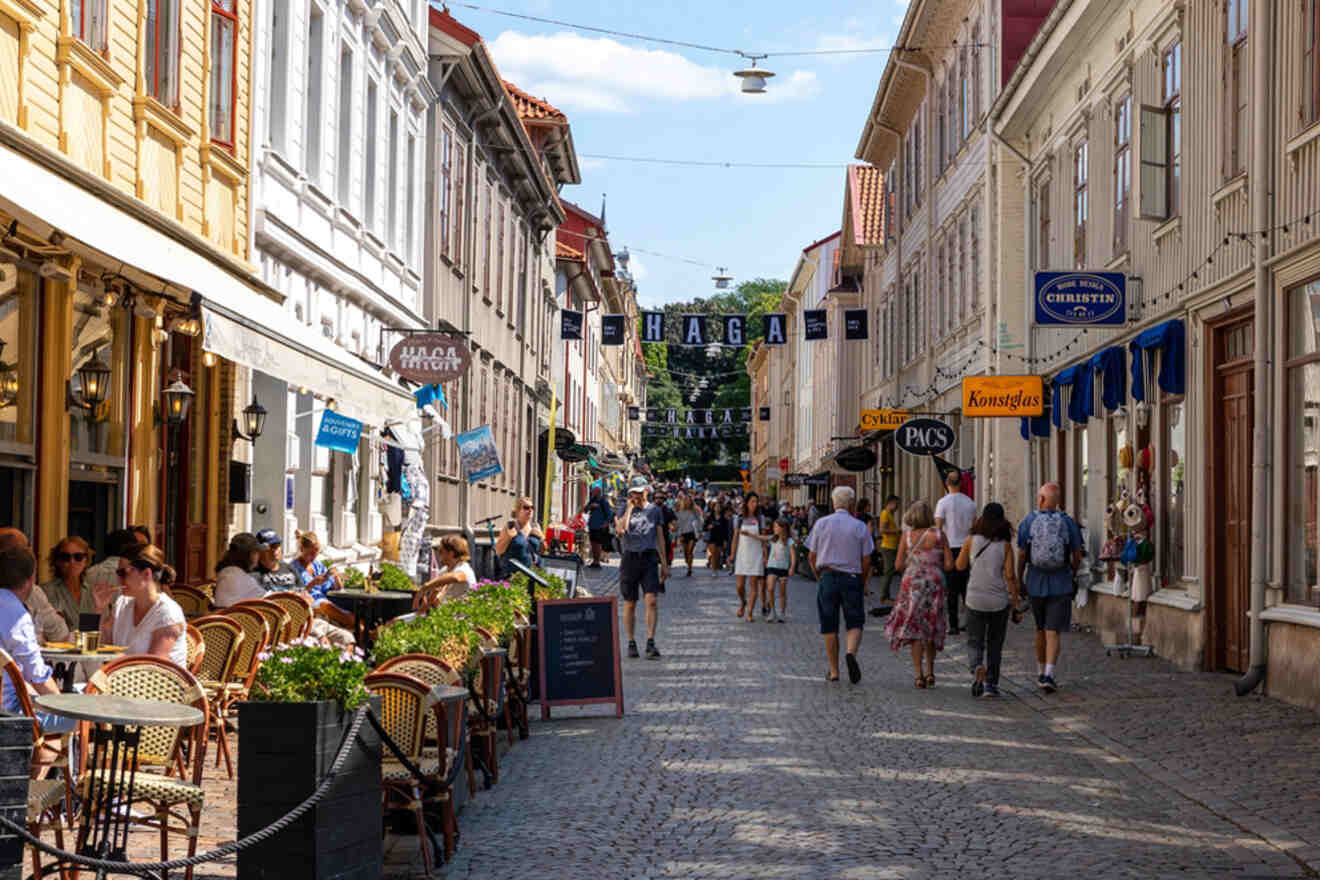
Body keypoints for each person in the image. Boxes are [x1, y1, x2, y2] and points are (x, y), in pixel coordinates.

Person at [0, 543, 79, 758]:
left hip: (11, 707)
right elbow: (38, 678)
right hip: (9, 714)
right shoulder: (17, 616)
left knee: (51, 731)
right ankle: (63, 785)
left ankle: (34, 783)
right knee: (84, 711)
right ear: (31, 580)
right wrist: (64, 704)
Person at [1017, 482, 1083, 693]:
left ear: (1041, 499)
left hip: (1036, 581)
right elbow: (1077, 554)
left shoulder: (1029, 521)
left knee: (1039, 629)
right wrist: (1071, 572)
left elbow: (1022, 554)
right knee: (1052, 631)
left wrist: (1020, 578)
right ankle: (1049, 673)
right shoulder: (1068, 522)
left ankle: (1039, 671)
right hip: (1061, 582)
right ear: (1058, 501)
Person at [806, 486, 874, 684]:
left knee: (829, 624)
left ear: (834, 502)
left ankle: (834, 671)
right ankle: (850, 653)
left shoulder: (821, 524)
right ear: (851, 503)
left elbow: (811, 555)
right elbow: (867, 559)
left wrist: (818, 575)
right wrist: (861, 581)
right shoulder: (859, 526)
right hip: (851, 577)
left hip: (827, 576)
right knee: (855, 621)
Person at [955, 503, 1020, 698]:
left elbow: (959, 566)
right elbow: (1010, 576)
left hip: (974, 598)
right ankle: (991, 685)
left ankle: (976, 668)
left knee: (974, 641)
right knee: (995, 644)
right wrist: (1015, 604)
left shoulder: (970, 540)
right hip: (998, 601)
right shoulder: (1006, 545)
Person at [885, 500, 952, 689]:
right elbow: (949, 565)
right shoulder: (940, 536)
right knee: (931, 626)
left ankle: (918, 674)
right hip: (934, 584)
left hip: (913, 584)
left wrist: (913, 563)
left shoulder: (906, 536)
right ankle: (931, 672)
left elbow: (897, 565)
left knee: (915, 629)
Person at [95, 542, 187, 667]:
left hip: (158, 684)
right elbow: (102, 648)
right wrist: (100, 609)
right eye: (118, 573)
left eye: (123, 573)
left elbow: (153, 667)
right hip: (122, 681)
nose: (118, 579)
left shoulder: (167, 612)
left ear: (146, 574)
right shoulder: (122, 603)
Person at [614, 477, 668, 660]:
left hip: (649, 558)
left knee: (651, 600)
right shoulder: (623, 508)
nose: (636, 495)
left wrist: (665, 563)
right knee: (630, 602)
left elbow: (660, 537)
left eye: (639, 491)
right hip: (630, 558)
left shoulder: (655, 510)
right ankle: (631, 642)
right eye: (633, 492)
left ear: (646, 490)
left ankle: (650, 642)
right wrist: (629, 509)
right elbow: (621, 531)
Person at [288, 531, 359, 636]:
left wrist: (336, 577)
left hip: (326, 601)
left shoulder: (317, 565)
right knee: (351, 620)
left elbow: (336, 588)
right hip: (311, 605)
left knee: (357, 621)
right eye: (311, 553)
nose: (314, 556)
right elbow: (293, 595)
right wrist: (312, 583)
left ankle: (367, 638)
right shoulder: (292, 568)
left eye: (317, 551)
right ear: (302, 549)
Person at [935, 471, 977, 635]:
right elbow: (974, 529)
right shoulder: (970, 503)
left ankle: (953, 625)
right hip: (967, 548)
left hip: (949, 549)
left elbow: (938, 528)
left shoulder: (942, 503)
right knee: (967, 588)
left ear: (947, 483)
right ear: (960, 484)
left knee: (951, 590)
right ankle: (970, 622)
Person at [732, 492, 769, 621]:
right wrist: (732, 554)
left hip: (756, 554)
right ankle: (743, 602)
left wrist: (765, 555)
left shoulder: (760, 518)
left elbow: (764, 538)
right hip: (742, 554)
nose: (755, 504)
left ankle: (750, 612)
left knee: (754, 585)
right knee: (740, 586)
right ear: (747, 503)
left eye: (756, 501)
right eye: (752, 501)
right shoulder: (739, 518)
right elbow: (735, 537)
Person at [416, 535, 478, 612]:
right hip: (446, 615)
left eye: (441, 551)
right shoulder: (445, 570)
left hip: (461, 618)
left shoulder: (464, 568)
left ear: (451, 553)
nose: (438, 554)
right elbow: (435, 594)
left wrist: (425, 587)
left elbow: (456, 577)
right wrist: (426, 603)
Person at [870, 495, 903, 615]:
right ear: (891, 503)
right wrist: (897, 531)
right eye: (897, 504)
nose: (898, 507)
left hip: (892, 546)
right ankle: (884, 596)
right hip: (888, 546)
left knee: (890, 570)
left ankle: (886, 595)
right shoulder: (885, 514)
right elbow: (883, 530)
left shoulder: (888, 514)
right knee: (888, 571)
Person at [496, 497, 543, 579]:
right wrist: (509, 537)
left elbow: (542, 550)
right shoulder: (510, 526)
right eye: (526, 508)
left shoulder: (535, 526)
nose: (530, 510)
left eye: (532, 508)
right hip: (514, 575)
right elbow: (498, 550)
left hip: (533, 575)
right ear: (518, 510)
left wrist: (542, 539)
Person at [213, 533, 266, 607]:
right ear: (249, 555)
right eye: (256, 552)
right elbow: (270, 599)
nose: (258, 556)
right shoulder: (239, 577)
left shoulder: (226, 572)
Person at [764, 518, 795, 623]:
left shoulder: (789, 541)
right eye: (774, 526)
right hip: (772, 567)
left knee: (782, 592)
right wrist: (749, 534)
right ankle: (772, 611)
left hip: (783, 569)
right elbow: (761, 537)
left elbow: (793, 555)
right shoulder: (773, 538)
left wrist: (792, 567)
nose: (774, 528)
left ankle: (782, 613)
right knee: (770, 588)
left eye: (776, 526)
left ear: (783, 528)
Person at [253, 529, 301, 593]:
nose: (274, 550)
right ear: (260, 550)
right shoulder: (254, 574)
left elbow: (303, 592)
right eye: (270, 547)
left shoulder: (289, 568)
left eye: (277, 545)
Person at [582, 488, 613, 569]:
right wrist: (590, 506)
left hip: (599, 526)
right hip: (591, 525)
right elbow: (585, 510)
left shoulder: (604, 502)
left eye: (594, 492)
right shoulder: (592, 500)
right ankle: (594, 561)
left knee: (598, 544)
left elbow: (609, 515)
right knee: (593, 544)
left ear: (598, 492)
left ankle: (597, 562)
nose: (592, 493)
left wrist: (605, 524)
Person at [674, 492, 701, 577]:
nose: (688, 502)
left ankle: (690, 568)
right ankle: (688, 562)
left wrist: (700, 531)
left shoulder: (695, 510)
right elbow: (679, 523)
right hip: (683, 533)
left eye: (689, 500)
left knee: (690, 551)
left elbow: (699, 520)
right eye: (686, 500)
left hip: (692, 532)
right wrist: (679, 534)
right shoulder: (680, 511)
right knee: (686, 552)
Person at [705, 502, 728, 573]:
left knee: (717, 555)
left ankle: (715, 566)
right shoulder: (710, 517)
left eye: (719, 507)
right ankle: (713, 570)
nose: (717, 508)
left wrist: (725, 540)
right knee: (713, 553)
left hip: (720, 538)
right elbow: (704, 527)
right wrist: (708, 527)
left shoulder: (724, 518)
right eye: (716, 507)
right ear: (713, 508)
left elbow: (726, 530)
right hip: (711, 537)